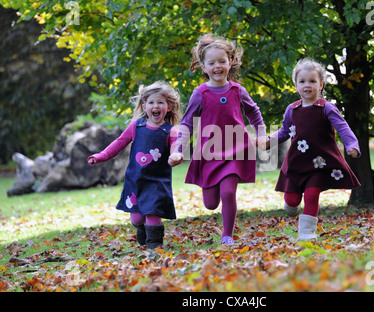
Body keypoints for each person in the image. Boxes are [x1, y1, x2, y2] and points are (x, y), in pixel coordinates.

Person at [169, 34, 266, 245]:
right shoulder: (200, 93)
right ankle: (221, 223)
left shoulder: (237, 90)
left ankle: (227, 235)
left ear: (230, 63)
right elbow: (186, 124)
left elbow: (254, 113)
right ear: (203, 67)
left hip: (235, 149)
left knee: (229, 192)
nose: (217, 66)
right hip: (209, 152)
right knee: (211, 203)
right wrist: (178, 149)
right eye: (212, 63)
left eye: (222, 61)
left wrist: (261, 134)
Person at [258, 58, 360, 240]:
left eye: (312, 81)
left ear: (320, 85)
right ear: (296, 85)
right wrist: (268, 141)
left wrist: (352, 145)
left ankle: (306, 233)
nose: (307, 85)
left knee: (312, 195)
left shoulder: (326, 108)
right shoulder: (292, 109)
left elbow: (343, 127)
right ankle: (291, 206)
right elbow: (284, 132)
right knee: (292, 202)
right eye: (302, 81)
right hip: (297, 162)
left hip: (319, 163)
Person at [88, 81, 181, 249]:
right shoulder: (136, 127)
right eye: (151, 102)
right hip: (136, 181)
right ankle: (142, 228)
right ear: (144, 106)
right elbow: (118, 144)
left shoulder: (170, 131)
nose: (156, 106)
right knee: (137, 218)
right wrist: (100, 156)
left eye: (160, 102)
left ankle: (155, 246)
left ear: (169, 106)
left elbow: (177, 147)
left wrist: (175, 155)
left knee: (153, 213)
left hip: (157, 182)